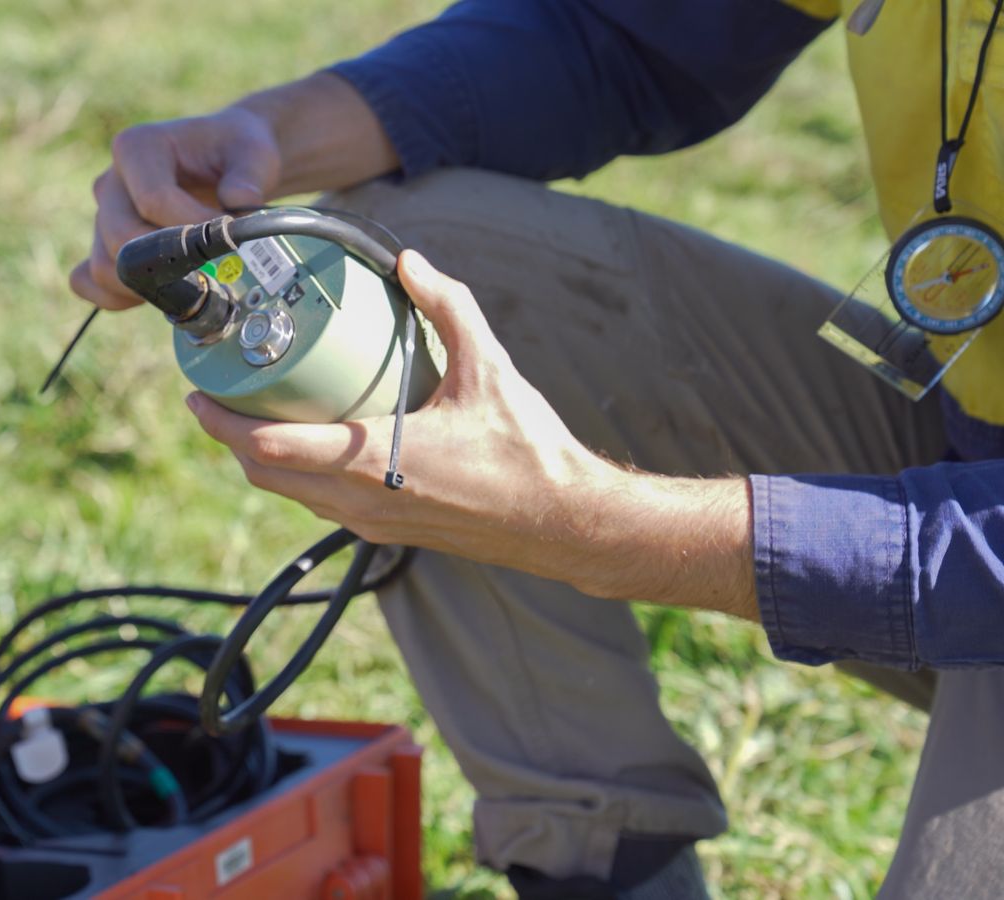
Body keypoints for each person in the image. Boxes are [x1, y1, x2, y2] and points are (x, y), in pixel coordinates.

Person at [67, 2, 1004, 897]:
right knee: (426, 259)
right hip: (971, 425)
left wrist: (589, 526)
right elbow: (616, 32)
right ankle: (603, 866)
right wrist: (269, 133)